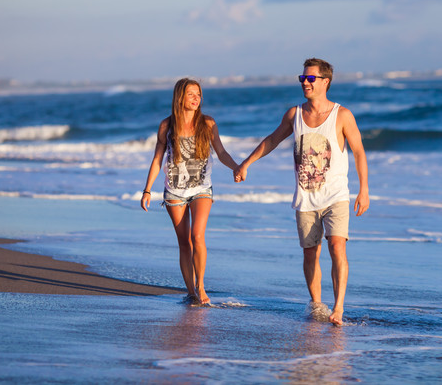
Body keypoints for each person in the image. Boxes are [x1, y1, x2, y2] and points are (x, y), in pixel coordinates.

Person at [234, 58, 369, 325]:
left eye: (310, 79)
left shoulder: (342, 115)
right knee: (310, 252)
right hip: (306, 197)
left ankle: (338, 307)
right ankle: (317, 305)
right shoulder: (294, 115)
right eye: (302, 79)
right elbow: (272, 140)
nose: (305, 83)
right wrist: (246, 163)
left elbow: (360, 152)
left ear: (325, 82)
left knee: (337, 246)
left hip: (336, 196)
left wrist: (364, 190)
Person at [141, 78, 238, 306]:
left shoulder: (208, 123)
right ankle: (191, 291)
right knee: (184, 242)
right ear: (180, 97)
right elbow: (157, 159)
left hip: (202, 187)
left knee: (197, 236)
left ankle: (201, 286)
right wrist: (147, 190)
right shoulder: (167, 126)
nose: (197, 99)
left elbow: (221, 153)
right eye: (191, 94)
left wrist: (236, 167)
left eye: (198, 94)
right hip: (174, 191)